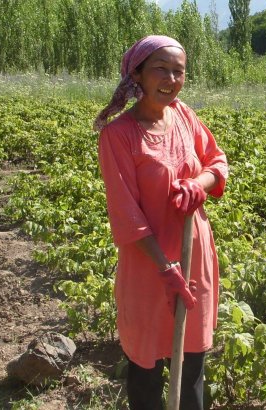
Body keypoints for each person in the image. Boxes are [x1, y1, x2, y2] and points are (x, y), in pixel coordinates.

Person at [94, 35, 228, 410]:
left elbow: (217, 162)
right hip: (148, 266)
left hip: (193, 256)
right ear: (136, 74)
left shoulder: (185, 115)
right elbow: (126, 213)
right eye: (161, 69)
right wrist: (165, 268)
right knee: (145, 367)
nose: (171, 79)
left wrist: (198, 185)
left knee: (192, 368)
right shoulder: (117, 136)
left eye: (179, 71)